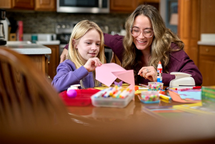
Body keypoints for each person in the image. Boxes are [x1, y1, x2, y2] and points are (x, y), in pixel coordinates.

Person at [60, 5, 202, 86]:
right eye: (135, 30)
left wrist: (161, 77)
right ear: (130, 30)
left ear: (156, 32)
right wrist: (69, 47)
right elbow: (89, 35)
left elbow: (196, 78)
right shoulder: (123, 43)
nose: (140, 36)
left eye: (147, 31)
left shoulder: (171, 50)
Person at [52, 20, 105, 92]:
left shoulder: (97, 67)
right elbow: (55, 87)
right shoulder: (67, 65)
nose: (94, 48)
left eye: (97, 44)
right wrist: (84, 69)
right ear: (75, 44)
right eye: (88, 43)